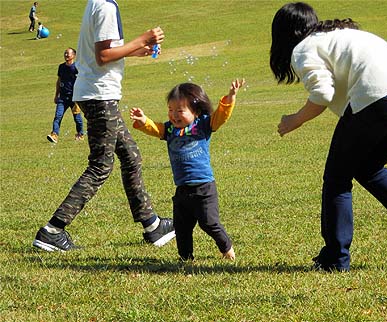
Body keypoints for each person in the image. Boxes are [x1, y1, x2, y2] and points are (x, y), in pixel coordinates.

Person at [270, 2, 387, 272]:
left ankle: (335, 259)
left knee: (336, 178)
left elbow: (322, 94)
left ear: (284, 33)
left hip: (379, 98)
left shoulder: (303, 48)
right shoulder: (341, 34)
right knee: (368, 168)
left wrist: (294, 120)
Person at [33, 0, 175, 251]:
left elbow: (101, 52)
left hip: (95, 94)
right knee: (100, 165)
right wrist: (142, 39)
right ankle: (52, 230)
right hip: (99, 96)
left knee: (131, 156)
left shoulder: (97, 4)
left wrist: (135, 50)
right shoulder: (106, 7)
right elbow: (103, 56)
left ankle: (152, 226)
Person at [130, 79, 245, 261]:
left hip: (204, 188)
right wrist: (144, 120)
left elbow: (220, 116)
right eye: (170, 110)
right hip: (182, 189)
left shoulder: (203, 125)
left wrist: (230, 97)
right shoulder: (169, 130)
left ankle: (226, 248)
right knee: (181, 227)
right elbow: (155, 129)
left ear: (196, 111)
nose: (174, 115)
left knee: (209, 223)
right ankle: (185, 258)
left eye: (180, 111)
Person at [47, 47, 85, 143]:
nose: (66, 55)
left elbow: (82, 81)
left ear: (74, 55)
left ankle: (80, 134)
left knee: (77, 118)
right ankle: (54, 135)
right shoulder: (61, 67)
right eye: (65, 53)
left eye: (68, 53)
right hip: (63, 97)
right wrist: (56, 95)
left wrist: (80, 97)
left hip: (75, 97)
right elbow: (59, 81)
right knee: (58, 116)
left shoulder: (77, 67)